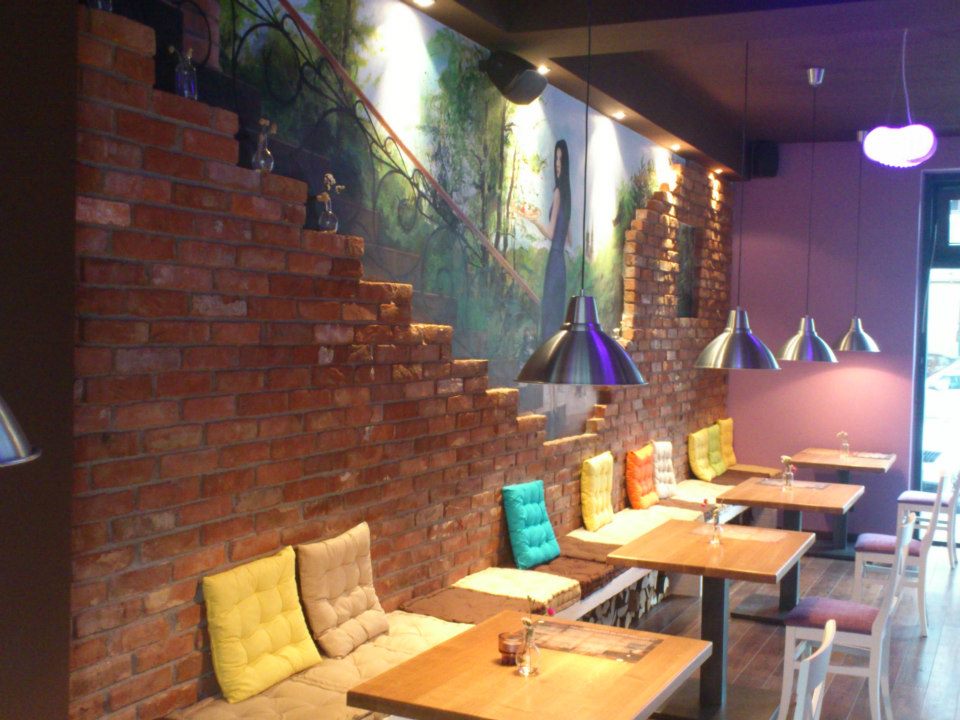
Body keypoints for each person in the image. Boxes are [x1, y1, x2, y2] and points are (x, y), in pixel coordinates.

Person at [516, 139, 572, 341]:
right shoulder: (568, 195)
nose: (557, 164)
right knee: (556, 314)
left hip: (554, 261)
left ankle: (546, 355)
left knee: (549, 313)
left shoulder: (558, 193)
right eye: (556, 158)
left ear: (565, 164)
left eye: (560, 159)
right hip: (561, 265)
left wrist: (533, 220)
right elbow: (569, 239)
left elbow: (550, 233)